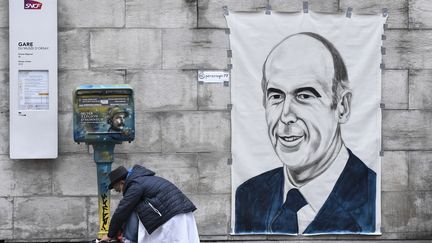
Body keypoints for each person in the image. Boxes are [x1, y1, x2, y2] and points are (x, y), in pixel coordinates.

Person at [235, 32, 376, 234]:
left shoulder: (373, 195)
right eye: (276, 95)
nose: (286, 115)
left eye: (304, 95)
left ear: (342, 107)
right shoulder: (248, 196)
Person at [101, 165, 200, 243]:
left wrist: (110, 235)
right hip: (179, 213)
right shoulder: (141, 179)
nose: (116, 191)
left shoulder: (135, 185)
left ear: (122, 182)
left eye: (115, 188)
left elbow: (122, 211)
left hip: (173, 217)